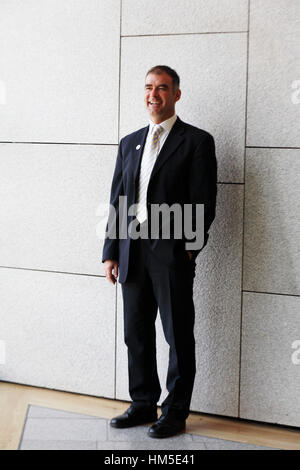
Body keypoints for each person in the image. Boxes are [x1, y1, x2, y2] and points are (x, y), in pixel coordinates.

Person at [102, 65, 217, 438]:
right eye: (149, 87)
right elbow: (118, 199)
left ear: (176, 95)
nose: (154, 94)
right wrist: (111, 251)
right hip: (131, 250)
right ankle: (142, 403)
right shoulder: (129, 142)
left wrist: (187, 251)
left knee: (177, 335)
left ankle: (175, 412)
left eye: (162, 88)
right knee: (135, 332)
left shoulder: (197, 141)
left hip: (171, 254)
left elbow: (204, 201)